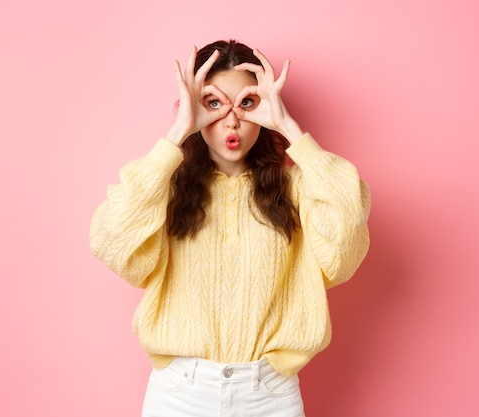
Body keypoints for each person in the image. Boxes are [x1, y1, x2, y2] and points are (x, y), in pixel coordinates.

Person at [90, 39, 371, 417]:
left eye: (247, 103)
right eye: (214, 104)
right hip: (179, 394)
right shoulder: (165, 188)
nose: (232, 120)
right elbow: (112, 240)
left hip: (270, 395)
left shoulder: (299, 188)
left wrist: (291, 130)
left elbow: (345, 244)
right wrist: (178, 131)